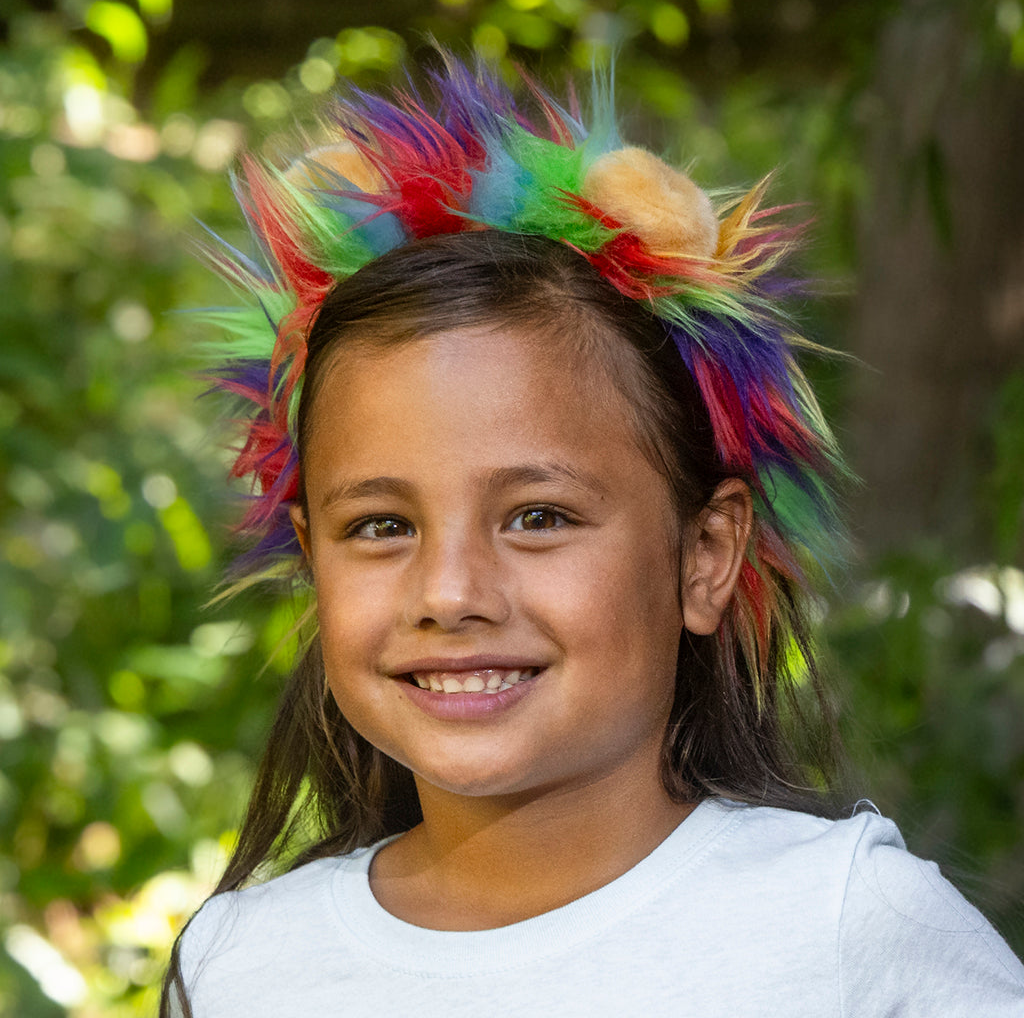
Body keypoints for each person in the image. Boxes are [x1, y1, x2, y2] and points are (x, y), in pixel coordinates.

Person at [163, 52, 1024, 1016]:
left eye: (538, 517)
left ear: (705, 556)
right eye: (380, 525)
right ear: (310, 559)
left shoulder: (844, 927)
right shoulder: (243, 964)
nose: (449, 592)